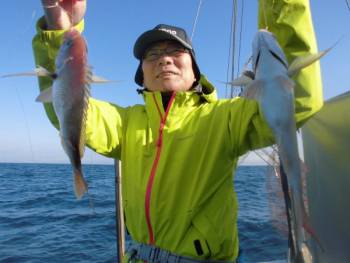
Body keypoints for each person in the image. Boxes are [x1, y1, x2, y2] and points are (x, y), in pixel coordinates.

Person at [33, 0, 323, 262]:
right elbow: (67, 109)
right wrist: (60, 29)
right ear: (143, 76)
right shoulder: (124, 123)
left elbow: (295, 101)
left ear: (194, 70)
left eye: (175, 51)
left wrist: (282, 5)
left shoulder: (225, 118)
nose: (164, 58)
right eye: (153, 55)